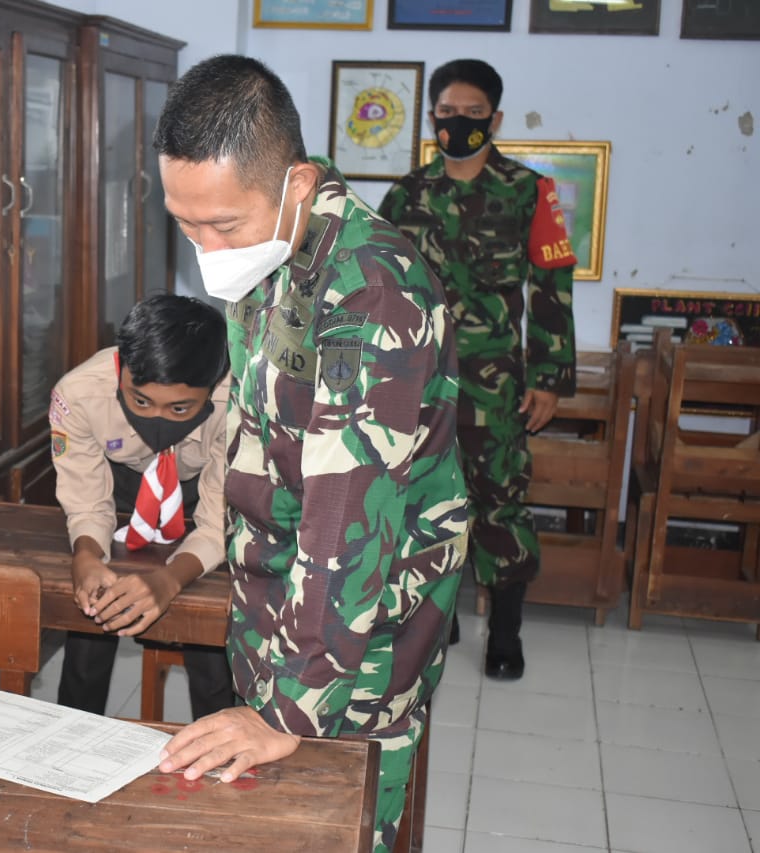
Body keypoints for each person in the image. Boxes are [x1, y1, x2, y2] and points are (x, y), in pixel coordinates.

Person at [151, 55, 468, 853]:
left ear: (296, 182)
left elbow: (346, 522)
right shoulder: (272, 252)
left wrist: (286, 708)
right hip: (281, 612)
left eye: (221, 224)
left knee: (338, 831)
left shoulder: (372, 295)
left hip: (354, 645)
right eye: (183, 221)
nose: (203, 245)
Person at [379, 59, 576, 681]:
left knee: (500, 504)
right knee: (423, 503)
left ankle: (506, 634)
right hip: (418, 380)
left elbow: (552, 287)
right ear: (432, 115)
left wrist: (549, 379)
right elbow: (383, 288)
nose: (457, 123)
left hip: (496, 383)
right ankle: (438, 619)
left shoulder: (529, 191)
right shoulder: (405, 195)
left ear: (494, 118)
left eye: (471, 114)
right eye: (446, 112)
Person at [50, 293, 234, 720]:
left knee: (209, 636)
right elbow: (86, 500)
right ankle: (70, 741)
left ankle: (220, 749)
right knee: (92, 613)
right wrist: (87, 555)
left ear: (213, 385)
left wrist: (170, 580)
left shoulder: (240, 403)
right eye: (140, 402)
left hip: (198, 492)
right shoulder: (79, 393)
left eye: (180, 408)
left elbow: (217, 521)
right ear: (120, 371)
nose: (159, 419)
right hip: (121, 491)